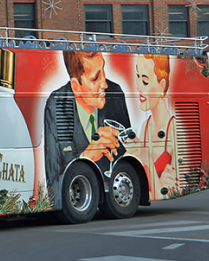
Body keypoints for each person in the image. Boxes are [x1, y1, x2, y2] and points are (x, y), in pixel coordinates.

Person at [43, 50, 131, 205]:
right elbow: (53, 181)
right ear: (76, 86)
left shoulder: (115, 93)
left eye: (103, 69)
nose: (104, 84)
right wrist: (86, 157)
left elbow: (128, 152)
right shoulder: (57, 104)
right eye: (95, 78)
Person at [135, 54, 177, 200]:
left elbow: (169, 192)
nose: (138, 85)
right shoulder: (144, 127)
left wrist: (146, 157)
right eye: (137, 76)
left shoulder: (174, 129)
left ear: (162, 85)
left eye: (145, 81)